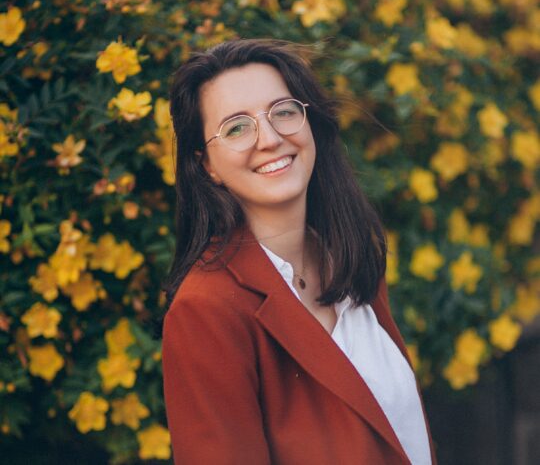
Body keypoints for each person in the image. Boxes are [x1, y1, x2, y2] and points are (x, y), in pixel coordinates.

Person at [162, 38, 436, 465]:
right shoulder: (206, 311)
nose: (269, 139)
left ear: (309, 122)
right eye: (236, 127)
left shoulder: (352, 260)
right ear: (207, 165)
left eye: (284, 111)